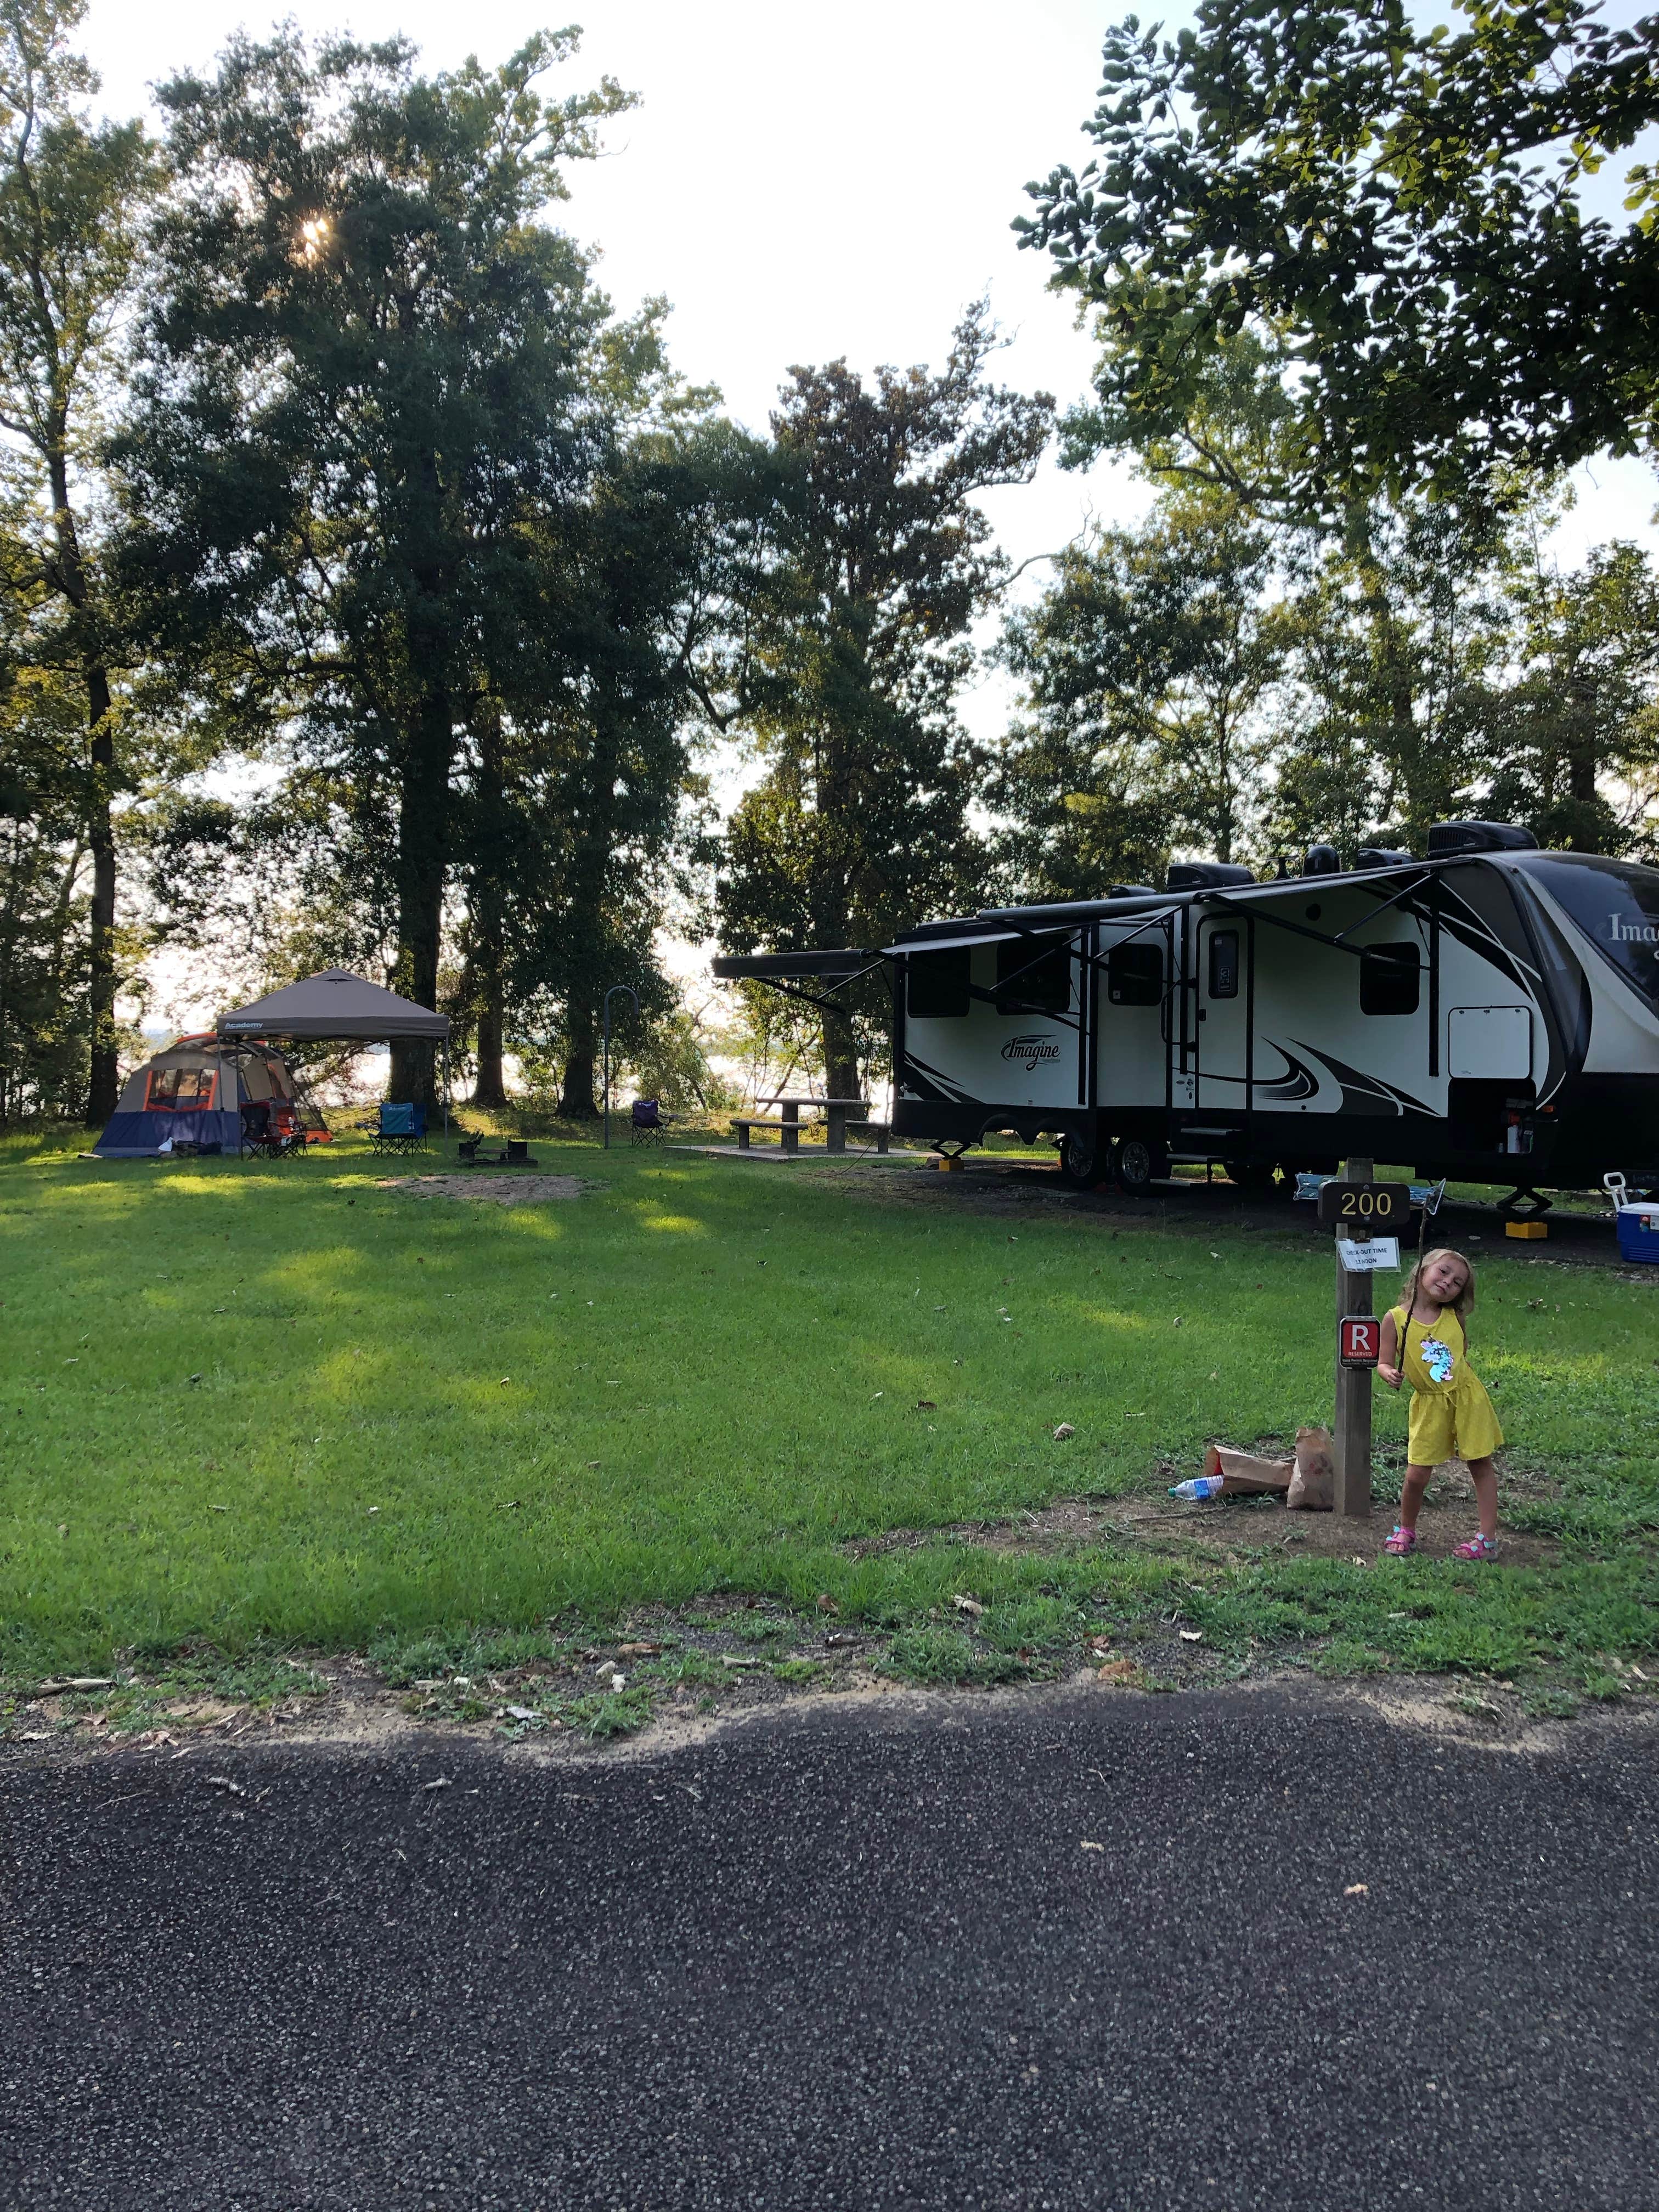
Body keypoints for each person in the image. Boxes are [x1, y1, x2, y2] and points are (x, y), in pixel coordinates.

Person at [1377, 1248, 1503, 1559]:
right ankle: (1406, 1528)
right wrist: (1388, 1373)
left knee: (1480, 1463)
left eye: (1458, 1282)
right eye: (1443, 1272)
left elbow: (1462, 1352)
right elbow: (1383, 1361)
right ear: (1423, 1270)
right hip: (1429, 1405)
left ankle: (1487, 1539)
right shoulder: (1395, 1319)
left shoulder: (1454, 1316)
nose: (1448, 1282)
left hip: (1467, 1399)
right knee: (1416, 1473)